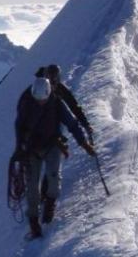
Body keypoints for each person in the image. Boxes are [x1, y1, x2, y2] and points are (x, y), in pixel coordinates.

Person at [14, 76, 95, 239]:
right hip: (32, 149)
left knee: (53, 178)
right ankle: (34, 222)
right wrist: (20, 148)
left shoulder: (56, 103)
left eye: (43, 99)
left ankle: (49, 206)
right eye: (38, 99)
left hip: (52, 145)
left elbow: (71, 123)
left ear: (48, 93)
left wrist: (83, 143)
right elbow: (19, 127)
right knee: (32, 186)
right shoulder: (27, 104)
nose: (40, 102)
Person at [36, 63, 94, 144]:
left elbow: (73, 106)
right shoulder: (40, 87)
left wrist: (85, 124)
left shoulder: (60, 89)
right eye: (50, 78)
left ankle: (55, 137)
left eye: (54, 78)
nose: (53, 82)